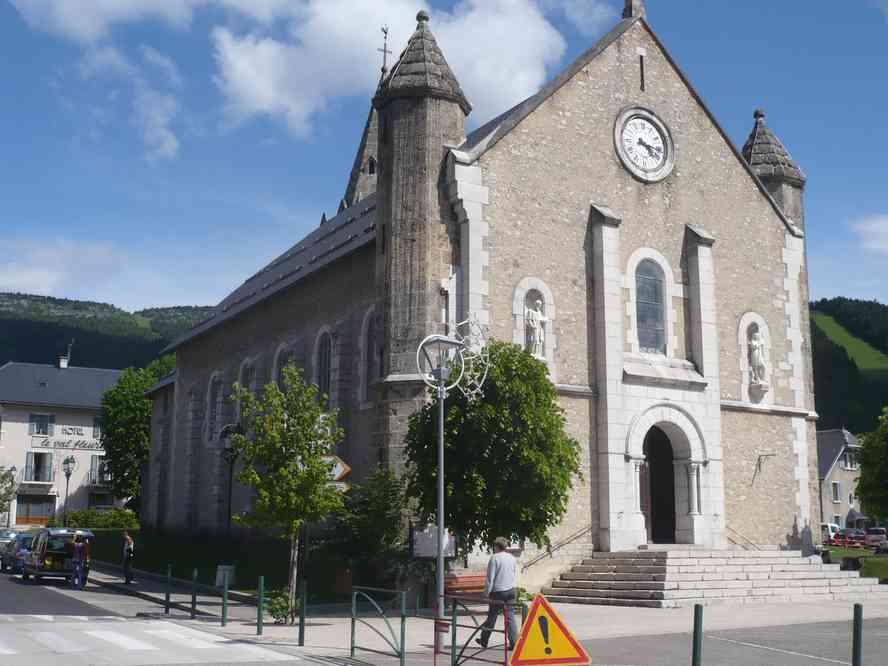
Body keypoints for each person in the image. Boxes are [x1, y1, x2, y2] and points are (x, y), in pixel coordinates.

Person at [476, 537, 519, 650]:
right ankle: (514, 643)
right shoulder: (512, 558)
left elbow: (490, 578)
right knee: (510, 617)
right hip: (512, 590)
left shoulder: (494, 558)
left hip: (498, 591)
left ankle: (484, 640)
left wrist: (486, 593)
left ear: (496, 546)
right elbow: (515, 574)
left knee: (492, 616)